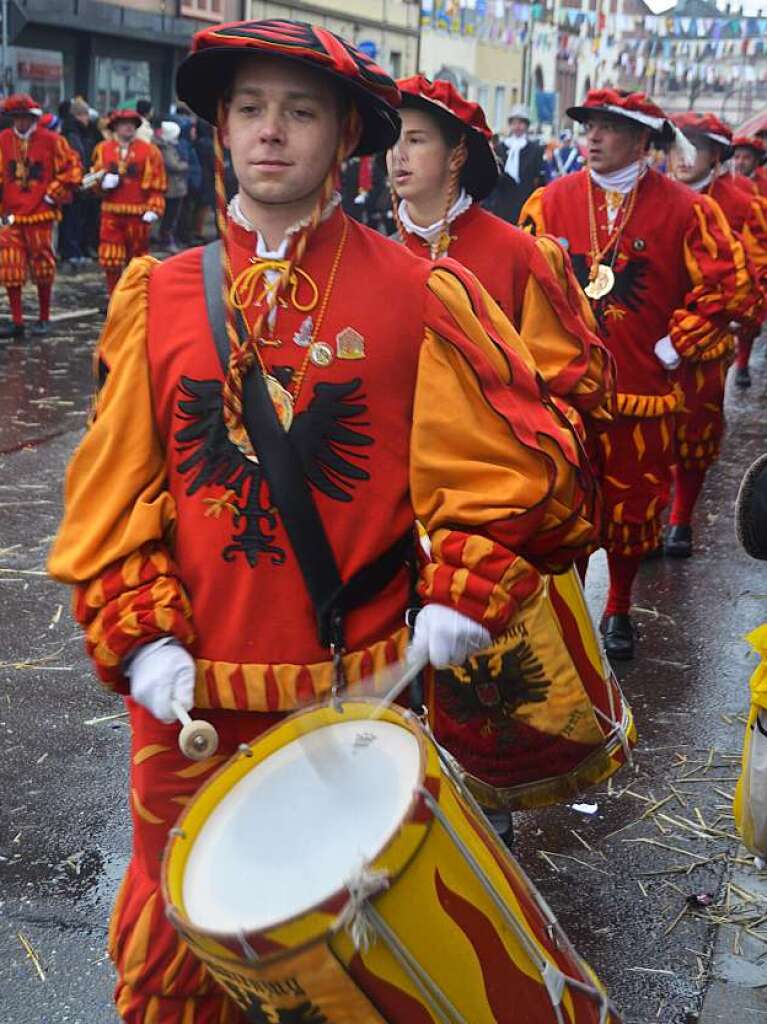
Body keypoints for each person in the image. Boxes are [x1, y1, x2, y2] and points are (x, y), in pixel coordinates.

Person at [48, 18, 600, 1021]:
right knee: (171, 964)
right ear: (219, 126)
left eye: (299, 112)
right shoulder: (158, 296)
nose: (269, 132)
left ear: (347, 137)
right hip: (185, 716)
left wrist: (462, 587)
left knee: (353, 972)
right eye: (249, 109)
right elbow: (111, 493)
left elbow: (516, 472)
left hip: (351, 706)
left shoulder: (420, 294)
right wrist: (137, 639)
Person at [520, 88, 756, 660]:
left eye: (608, 128)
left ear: (643, 140)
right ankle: (570, 609)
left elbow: (730, 287)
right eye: (588, 126)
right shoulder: (550, 201)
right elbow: (518, 281)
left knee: (631, 505)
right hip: (565, 390)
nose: (592, 138)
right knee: (562, 502)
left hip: (642, 391)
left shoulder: (686, 208)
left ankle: (618, 607)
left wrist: (674, 346)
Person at [390, 74, 614, 442]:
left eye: (415, 140)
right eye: (393, 140)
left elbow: (564, 379)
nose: (398, 154)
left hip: (491, 466)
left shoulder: (520, 253)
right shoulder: (379, 251)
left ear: (457, 154)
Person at [666, 112, 765, 555]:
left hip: (708, 336)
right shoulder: (648, 196)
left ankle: (681, 519)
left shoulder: (741, 201)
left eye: (695, 147)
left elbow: (757, 265)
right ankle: (645, 520)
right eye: (676, 146)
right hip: (648, 332)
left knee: (696, 426)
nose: (683, 157)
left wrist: (737, 309)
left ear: (716, 156)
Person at [0, 93, 82, 338]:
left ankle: (44, 318)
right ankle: (17, 322)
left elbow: (73, 168)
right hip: (12, 215)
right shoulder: (3, 140)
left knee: (42, 266)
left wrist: (52, 194)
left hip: (40, 215)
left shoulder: (51, 140)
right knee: (10, 267)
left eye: (26, 118)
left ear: (34, 118)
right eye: (17, 118)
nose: (22, 123)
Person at [90, 108, 166, 296]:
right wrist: (101, 183)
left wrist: (154, 208)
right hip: (111, 212)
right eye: (123, 124)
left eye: (132, 124)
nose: (128, 127)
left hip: (138, 214)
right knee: (111, 258)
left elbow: (157, 183)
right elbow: (93, 181)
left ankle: (136, 298)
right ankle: (114, 298)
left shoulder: (149, 150)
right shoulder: (103, 149)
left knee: (138, 261)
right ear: (115, 127)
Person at [486, 104, 545, 223]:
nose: (517, 126)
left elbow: (538, 179)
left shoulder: (535, 149)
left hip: (524, 200)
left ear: (526, 125)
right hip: (502, 202)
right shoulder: (500, 148)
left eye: (521, 123)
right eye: (514, 123)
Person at [157, 119, 189, 252]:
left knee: (172, 215)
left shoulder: (168, 146)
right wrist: (184, 165)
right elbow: (173, 165)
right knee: (170, 216)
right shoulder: (166, 148)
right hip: (172, 187)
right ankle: (165, 240)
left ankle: (167, 238)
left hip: (175, 186)